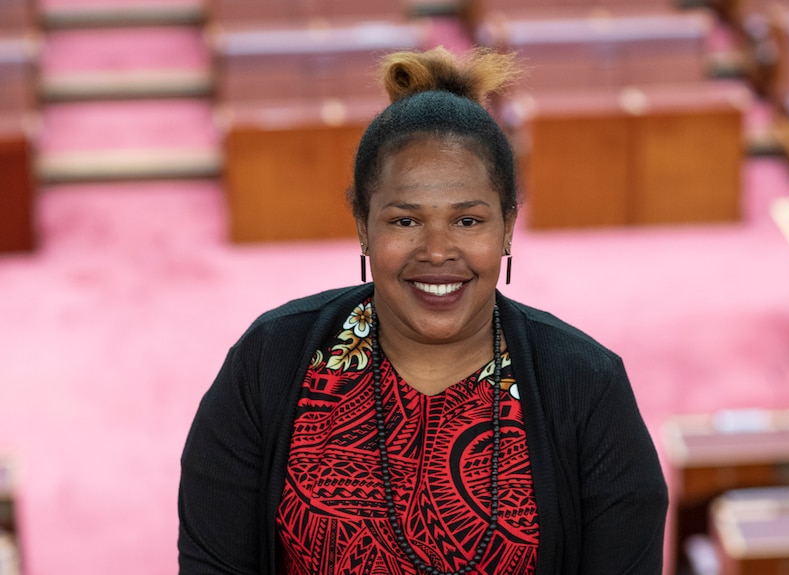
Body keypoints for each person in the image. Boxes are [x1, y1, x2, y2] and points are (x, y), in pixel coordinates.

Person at [178, 46, 668, 575]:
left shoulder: (587, 386)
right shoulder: (270, 361)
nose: (437, 251)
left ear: (506, 225)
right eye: (405, 221)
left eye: (468, 221)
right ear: (363, 226)